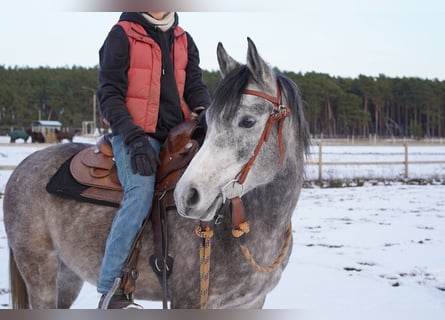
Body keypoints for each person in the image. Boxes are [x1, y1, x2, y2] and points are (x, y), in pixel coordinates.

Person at [96, 12, 210, 309]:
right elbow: (109, 93)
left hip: (178, 133)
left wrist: (205, 113)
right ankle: (113, 289)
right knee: (140, 193)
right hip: (133, 133)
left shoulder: (184, 39)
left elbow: (195, 85)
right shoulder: (122, 34)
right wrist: (133, 138)